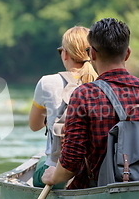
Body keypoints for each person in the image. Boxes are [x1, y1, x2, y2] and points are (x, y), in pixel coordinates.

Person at [41, 18, 139, 189]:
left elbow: (71, 162)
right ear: (127, 53)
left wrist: (52, 177)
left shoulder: (84, 94)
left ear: (92, 54)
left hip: (97, 188)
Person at [29, 26, 98, 188]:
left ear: (65, 53)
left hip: (60, 175)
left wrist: (50, 117)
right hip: (96, 173)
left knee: (39, 163)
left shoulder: (47, 82)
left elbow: (34, 125)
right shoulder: (103, 82)